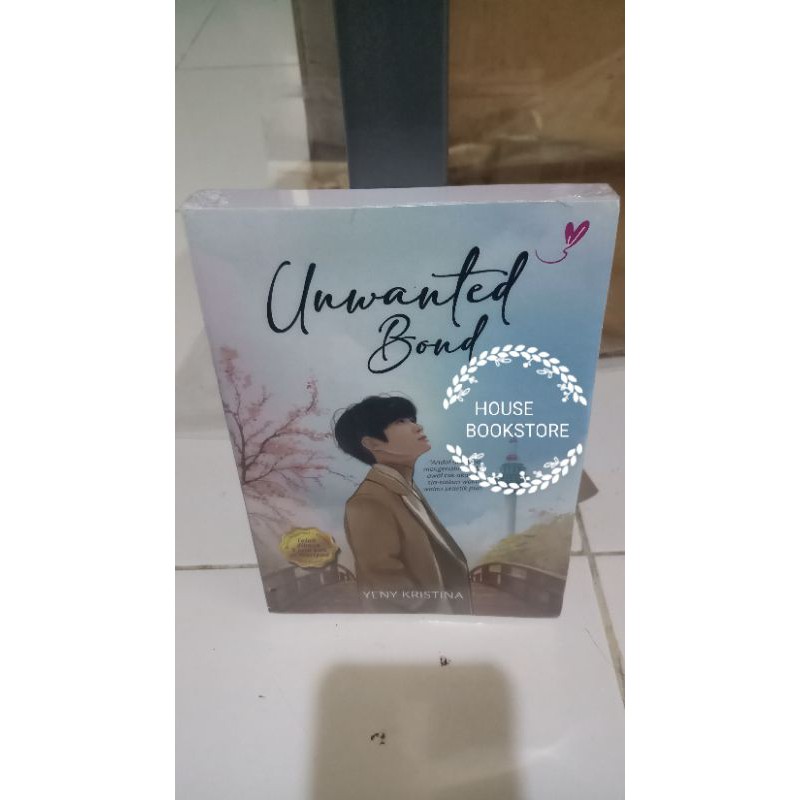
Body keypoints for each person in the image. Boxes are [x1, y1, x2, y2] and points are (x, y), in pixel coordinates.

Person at [333, 395, 473, 614]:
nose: (417, 427)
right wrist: (438, 615)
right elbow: (386, 580)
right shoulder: (368, 502)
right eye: (400, 421)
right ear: (372, 443)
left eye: (411, 419)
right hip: (416, 626)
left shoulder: (405, 490)